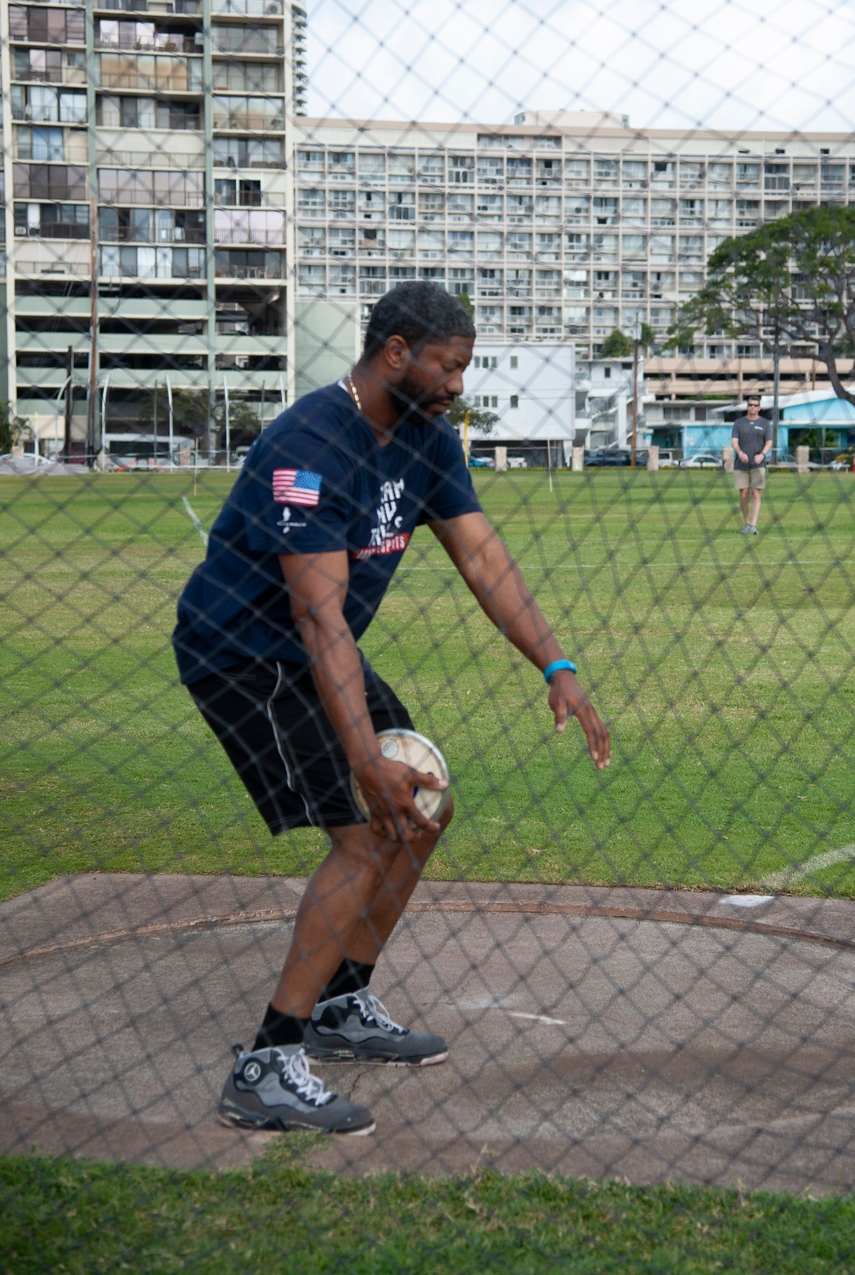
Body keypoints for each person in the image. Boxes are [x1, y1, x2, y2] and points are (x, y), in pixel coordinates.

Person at [174, 284, 611, 1136]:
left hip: (314, 649)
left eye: (464, 369)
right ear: (398, 352)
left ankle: (341, 1002)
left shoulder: (426, 439)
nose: (457, 385)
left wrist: (555, 663)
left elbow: (483, 558)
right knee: (369, 823)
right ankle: (266, 1061)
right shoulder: (309, 445)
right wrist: (363, 758)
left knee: (424, 802)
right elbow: (318, 615)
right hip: (243, 652)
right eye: (449, 366)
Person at [730, 396, 772, 535]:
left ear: (759, 407)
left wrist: (762, 454)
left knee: (755, 493)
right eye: (750, 405)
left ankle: (753, 525)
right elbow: (734, 441)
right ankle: (746, 523)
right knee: (743, 494)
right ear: (747, 407)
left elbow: (769, 442)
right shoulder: (739, 423)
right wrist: (740, 453)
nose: (752, 407)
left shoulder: (765, 424)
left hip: (758, 464)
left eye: (755, 405)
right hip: (741, 464)